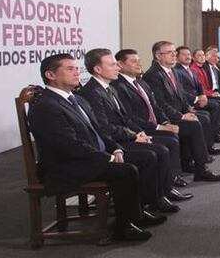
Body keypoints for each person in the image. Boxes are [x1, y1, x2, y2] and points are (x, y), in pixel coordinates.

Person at [27, 54, 161, 242]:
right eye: (69, 69)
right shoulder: (46, 106)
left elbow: (100, 130)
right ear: (50, 74)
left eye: (76, 68)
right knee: (126, 171)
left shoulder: (76, 99)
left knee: (146, 157)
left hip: (90, 156)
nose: (77, 72)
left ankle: (136, 213)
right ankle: (123, 228)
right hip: (68, 165)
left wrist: (115, 149)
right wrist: (106, 157)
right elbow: (68, 145)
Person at [80, 48, 188, 213]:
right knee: (154, 152)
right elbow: (103, 127)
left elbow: (126, 118)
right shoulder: (92, 92)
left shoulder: (109, 87)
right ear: (98, 69)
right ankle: (149, 202)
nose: (117, 67)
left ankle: (159, 195)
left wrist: (139, 132)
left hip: (123, 136)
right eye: (113, 64)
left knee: (163, 147)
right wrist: (133, 135)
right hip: (114, 141)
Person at [112, 49, 220, 183]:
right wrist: (161, 126)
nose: (139, 64)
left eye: (139, 60)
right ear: (120, 65)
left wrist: (166, 121)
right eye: (134, 61)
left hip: (159, 120)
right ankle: (175, 177)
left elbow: (156, 106)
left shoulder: (140, 82)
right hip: (142, 128)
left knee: (195, 122)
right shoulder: (120, 85)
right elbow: (130, 117)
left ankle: (198, 168)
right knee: (182, 132)